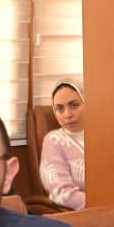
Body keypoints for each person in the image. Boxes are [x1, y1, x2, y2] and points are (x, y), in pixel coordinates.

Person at [38, 79, 87, 210]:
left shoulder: (105, 135)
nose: (67, 114)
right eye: (60, 108)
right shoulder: (54, 141)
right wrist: (102, 204)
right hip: (85, 213)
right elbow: (61, 192)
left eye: (74, 105)